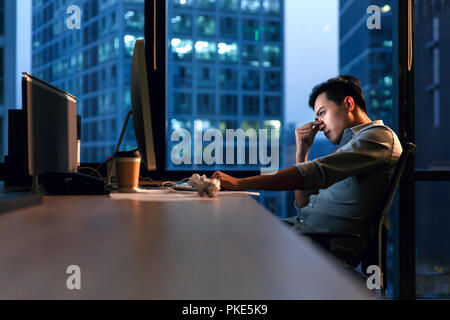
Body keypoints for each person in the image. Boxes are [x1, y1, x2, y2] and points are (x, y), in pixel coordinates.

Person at [211, 75, 403, 267]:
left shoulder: (378, 137)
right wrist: (302, 151)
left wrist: (240, 183)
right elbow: (303, 206)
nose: (319, 125)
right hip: (303, 235)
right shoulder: (353, 146)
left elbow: (313, 173)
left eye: (322, 113)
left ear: (348, 103)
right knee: (225, 233)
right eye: (316, 118)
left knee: (227, 245)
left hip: (321, 246)